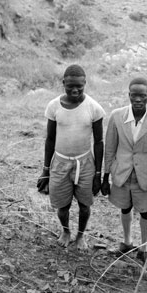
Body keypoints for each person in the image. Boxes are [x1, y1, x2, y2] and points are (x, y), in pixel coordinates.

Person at [38, 64, 105, 250]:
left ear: (85, 83)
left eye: (79, 87)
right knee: (62, 206)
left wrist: (98, 173)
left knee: (85, 205)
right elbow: (50, 139)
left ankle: (81, 236)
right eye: (70, 86)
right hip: (60, 162)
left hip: (85, 163)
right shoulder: (53, 107)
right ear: (63, 83)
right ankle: (66, 230)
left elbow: (99, 142)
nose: (75, 90)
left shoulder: (94, 108)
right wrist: (45, 170)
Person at [101, 77, 147, 263]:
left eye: (142, 96)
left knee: (144, 210)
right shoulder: (117, 116)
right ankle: (127, 241)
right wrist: (105, 176)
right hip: (121, 173)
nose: (138, 100)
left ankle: (144, 247)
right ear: (129, 95)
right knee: (125, 207)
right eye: (134, 96)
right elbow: (110, 148)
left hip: (144, 175)